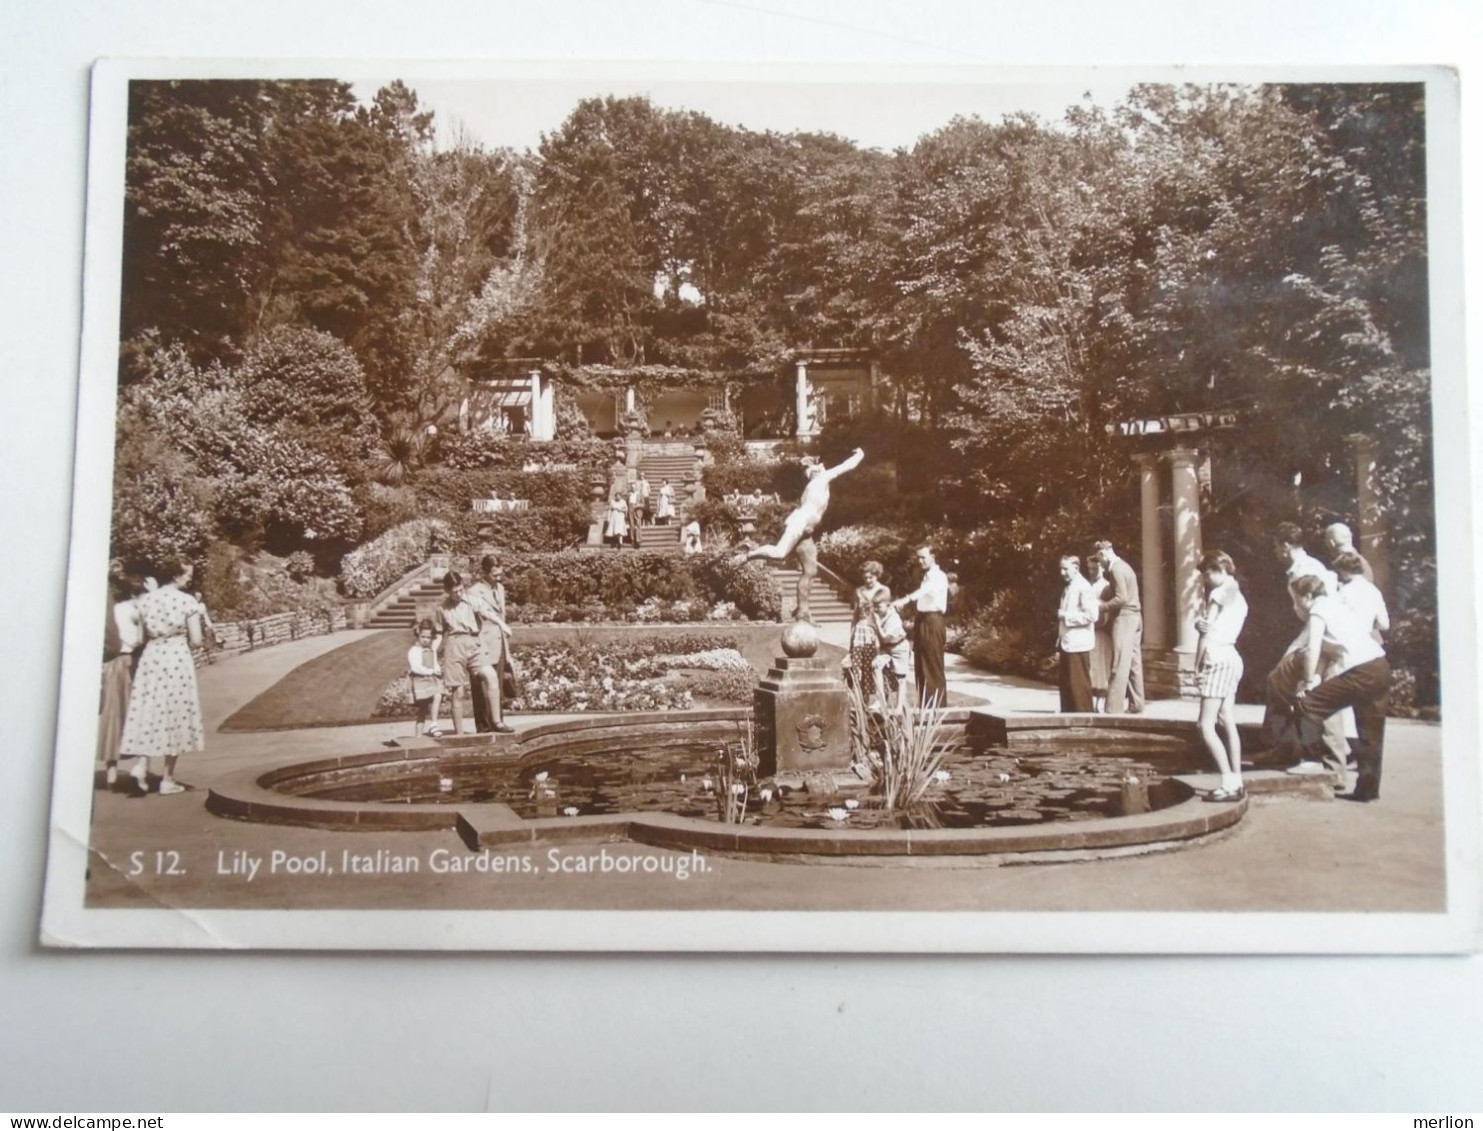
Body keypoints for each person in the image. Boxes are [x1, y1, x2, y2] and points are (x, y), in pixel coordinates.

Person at [1283, 574, 1391, 802]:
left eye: (1296, 599)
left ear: (1308, 596)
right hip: (1379, 666)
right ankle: (1367, 790)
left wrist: (1309, 681)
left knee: (1306, 704)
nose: (1295, 605)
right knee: (1370, 733)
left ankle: (1311, 761)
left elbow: (1313, 649)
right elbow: (1325, 652)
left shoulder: (1318, 610)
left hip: (1360, 671)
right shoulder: (1336, 605)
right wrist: (1315, 678)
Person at [738, 447, 865, 622]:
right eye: (818, 467)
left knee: (811, 570)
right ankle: (748, 555)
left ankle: (802, 610)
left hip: (805, 529)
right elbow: (845, 466)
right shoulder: (821, 479)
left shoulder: (816, 484)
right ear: (814, 472)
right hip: (799, 525)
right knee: (779, 553)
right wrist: (860, 454)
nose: (822, 467)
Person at [117, 559, 204, 795]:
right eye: (187, 575)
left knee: (149, 709)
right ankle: (167, 779)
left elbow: (140, 637)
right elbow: (196, 640)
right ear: (175, 575)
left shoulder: (146, 601)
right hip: (176, 657)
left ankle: (141, 765)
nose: (190, 579)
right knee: (175, 712)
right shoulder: (186, 601)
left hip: (152, 657)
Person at [1267, 522, 1350, 773]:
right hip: (1320, 638)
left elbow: (1319, 616)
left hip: (1325, 640)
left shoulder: (1308, 571)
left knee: (1303, 688)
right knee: (1280, 683)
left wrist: (1294, 651)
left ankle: (1309, 755)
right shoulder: (1298, 570)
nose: (1275, 552)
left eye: (1276, 547)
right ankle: (1287, 747)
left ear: (1286, 546)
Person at [1193, 550, 1249, 802]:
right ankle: (1236, 780)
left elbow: (1206, 632)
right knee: (1227, 719)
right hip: (1232, 657)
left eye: (1207, 574)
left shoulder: (1217, 594)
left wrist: (1196, 666)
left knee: (1205, 725)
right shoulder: (1237, 594)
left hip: (1217, 658)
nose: (1205, 580)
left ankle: (1227, 782)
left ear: (1219, 570)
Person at [434, 571, 510, 736]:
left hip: (474, 643)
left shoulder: (471, 601)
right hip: (454, 647)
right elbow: (439, 633)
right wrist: (432, 652)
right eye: (455, 592)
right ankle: (460, 734)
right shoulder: (442, 609)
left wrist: (502, 624)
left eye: (461, 589)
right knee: (458, 691)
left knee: (490, 675)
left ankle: (497, 722)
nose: (459, 594)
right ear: (447, 591)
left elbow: (488, 613)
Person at [98, 572, 143, 788]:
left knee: (113, 715)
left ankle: (111, 771)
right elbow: (138, 639)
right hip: (128, 661)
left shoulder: (115, 608)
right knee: (134, 713)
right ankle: (140, 767)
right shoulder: (136, 610)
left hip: (112, 664)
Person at [893, 543, 949, 708]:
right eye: (918, 557)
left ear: (933, 557)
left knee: (932, 664)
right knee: (921, 664)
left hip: (933, 621)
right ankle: (925, 706)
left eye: (923, 557)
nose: (920, 561)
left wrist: (905, 599)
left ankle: (936, 708)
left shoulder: (938, 576)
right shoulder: (927, 576)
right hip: (923, 620)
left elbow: (925, 592)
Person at [1094, 540, 1144, 714]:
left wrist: (1101, 607)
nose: (1099, 564)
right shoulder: (1125, 567)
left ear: (1104, 554)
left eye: (1099, 560)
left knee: (1119, 664)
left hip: (1124, 619)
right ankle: (1137, 704)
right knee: (1133, 663)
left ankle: (1112, 709)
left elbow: (1121, 598)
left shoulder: (1116, 569)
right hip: (1136, 617)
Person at [466, 555, 513, 734]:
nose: (498, 578)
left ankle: (498, 722)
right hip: (482, 644)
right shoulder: (474, 592)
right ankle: (483, 726)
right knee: (482, 687)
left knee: (497, 685)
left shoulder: (500, 588)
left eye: (500, 574)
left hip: (499, 643)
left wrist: (506, 649)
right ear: (485, 573)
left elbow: (502, 617)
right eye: (495, 575)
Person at [1055, 554, 1097, 713]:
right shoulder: (1069, 587)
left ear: (1076, 568)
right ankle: (1068, 721)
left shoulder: (1083, 587)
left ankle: (1085, 721)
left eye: (1065, 569)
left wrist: (1067, 617)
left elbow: (1092, 615)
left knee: (1079, 688)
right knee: (1068, 688)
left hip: (1078, 645)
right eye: (1061, 569)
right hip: (1068, 643)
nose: (1062, 573)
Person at [845, 560, 889, 703]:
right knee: (858, 668)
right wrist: (851, 639)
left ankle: (880, 703)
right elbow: (855, 615)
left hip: (875, 631)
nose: (868, 580)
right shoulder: (859, 591)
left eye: (871, 577)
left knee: (875, 667)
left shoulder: (883, 591)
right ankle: (861, 703)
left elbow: (886, 614)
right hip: (860, 631)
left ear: (877, 575)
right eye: (865, 577)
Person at [1335, 550, 1389, 644]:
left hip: (1352, 641)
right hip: (1372, 642)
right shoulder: (1374, 591)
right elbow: (1384, 624)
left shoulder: (1343, 592)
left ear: (1343, 570)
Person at [869, 587, 910, 709]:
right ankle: (880, 701)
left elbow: (885, 637)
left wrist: (877, 624)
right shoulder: (876, 615)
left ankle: (899, 707)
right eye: (874, 606)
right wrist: (877, 654)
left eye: (879, 606)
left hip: (899, 647)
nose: (876, 609)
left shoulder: (894, 618)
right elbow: (877, 637)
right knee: (876, 666)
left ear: (887, 605)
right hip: (886, 648)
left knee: (900, 678)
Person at [1085, 553, 1113, 712]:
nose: (1092, 571)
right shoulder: (1086, 584)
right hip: (1088, 631)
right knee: (1091, 665)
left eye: (1095, 568)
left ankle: (1101, 701)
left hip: (1102, 631)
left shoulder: (1107, 586)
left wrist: (1102, 621)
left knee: (1102, 664)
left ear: (1101, 567)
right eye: (1089, 569)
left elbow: (1110, 608)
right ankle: (1091, 698)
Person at [407, 619, 445, 737]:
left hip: (431, 679)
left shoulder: (431, 648)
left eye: (428, 637)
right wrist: (431, 671)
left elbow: (439, 637)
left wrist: (437, 669)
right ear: (418, 635)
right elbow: (416, 667)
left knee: (437, 695)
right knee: (422, 709)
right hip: (420, 680)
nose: (425, 639)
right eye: (422, 636)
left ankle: (434, 724)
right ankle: (418, 737)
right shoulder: (414, 651)